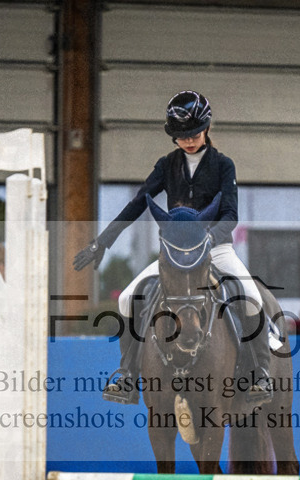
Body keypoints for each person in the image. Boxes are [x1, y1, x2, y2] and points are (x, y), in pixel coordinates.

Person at [73, 90, 272, 406]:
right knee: (127, 298)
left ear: (205, 128)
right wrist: (103, 242)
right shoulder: (166, 166)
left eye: (193, 133)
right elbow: (138, 204)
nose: (189, 141)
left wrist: (209, 238)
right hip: (176, 253)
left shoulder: (223, 165)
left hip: (215, 248)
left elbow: (230, 214)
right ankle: (127, 375)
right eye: (181, 136)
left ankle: (259, 372)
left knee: (250, 297)